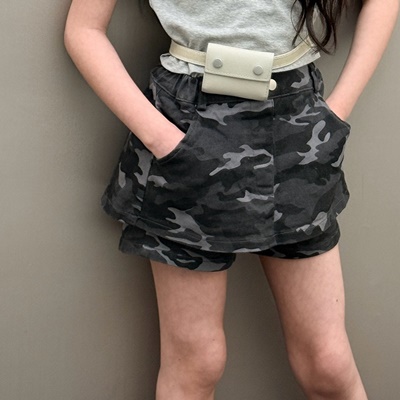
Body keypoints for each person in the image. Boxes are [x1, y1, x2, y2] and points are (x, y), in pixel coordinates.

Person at [64, 1, 398, 399]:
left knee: (327, 363)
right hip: (187, 122)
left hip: (297, 125)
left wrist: (335, 115)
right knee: (197, 365)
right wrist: (163, 139)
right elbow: (82, 30)